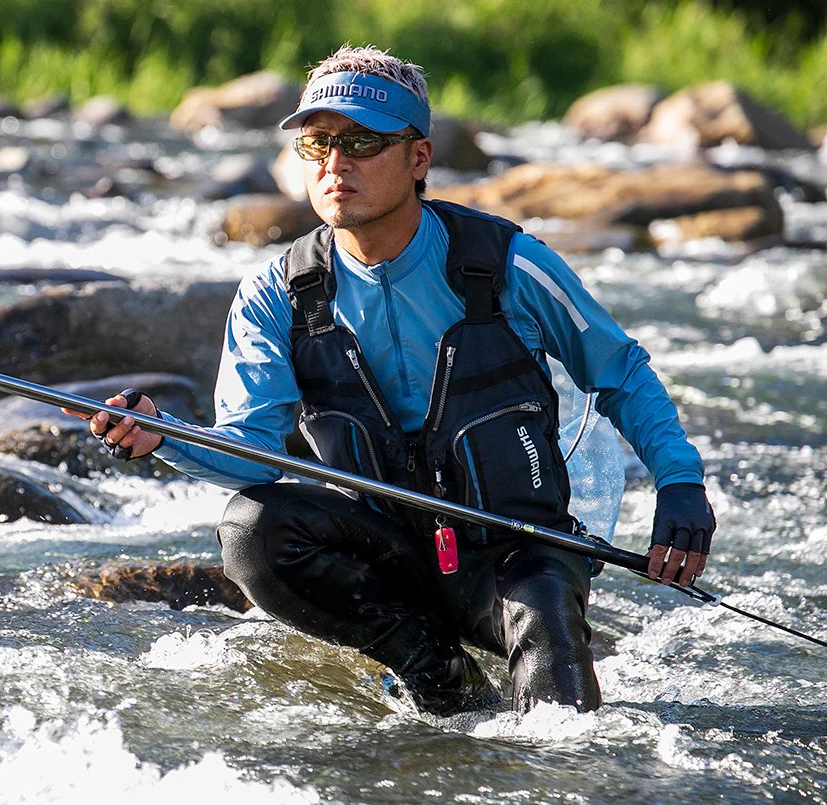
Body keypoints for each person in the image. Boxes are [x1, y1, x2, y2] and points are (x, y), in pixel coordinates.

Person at [67, 44, 716, 714]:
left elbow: (620, 372)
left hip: (518, 556)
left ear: (419, 158)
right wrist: (161, 435)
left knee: (562, 728)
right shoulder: (275, 294)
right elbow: (248, 448)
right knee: (253, 527)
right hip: (385, 556)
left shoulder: (511, 266)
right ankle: (433, 665)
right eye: (317, 145)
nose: (335, 164)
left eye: (361, 142)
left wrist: (680, 483)